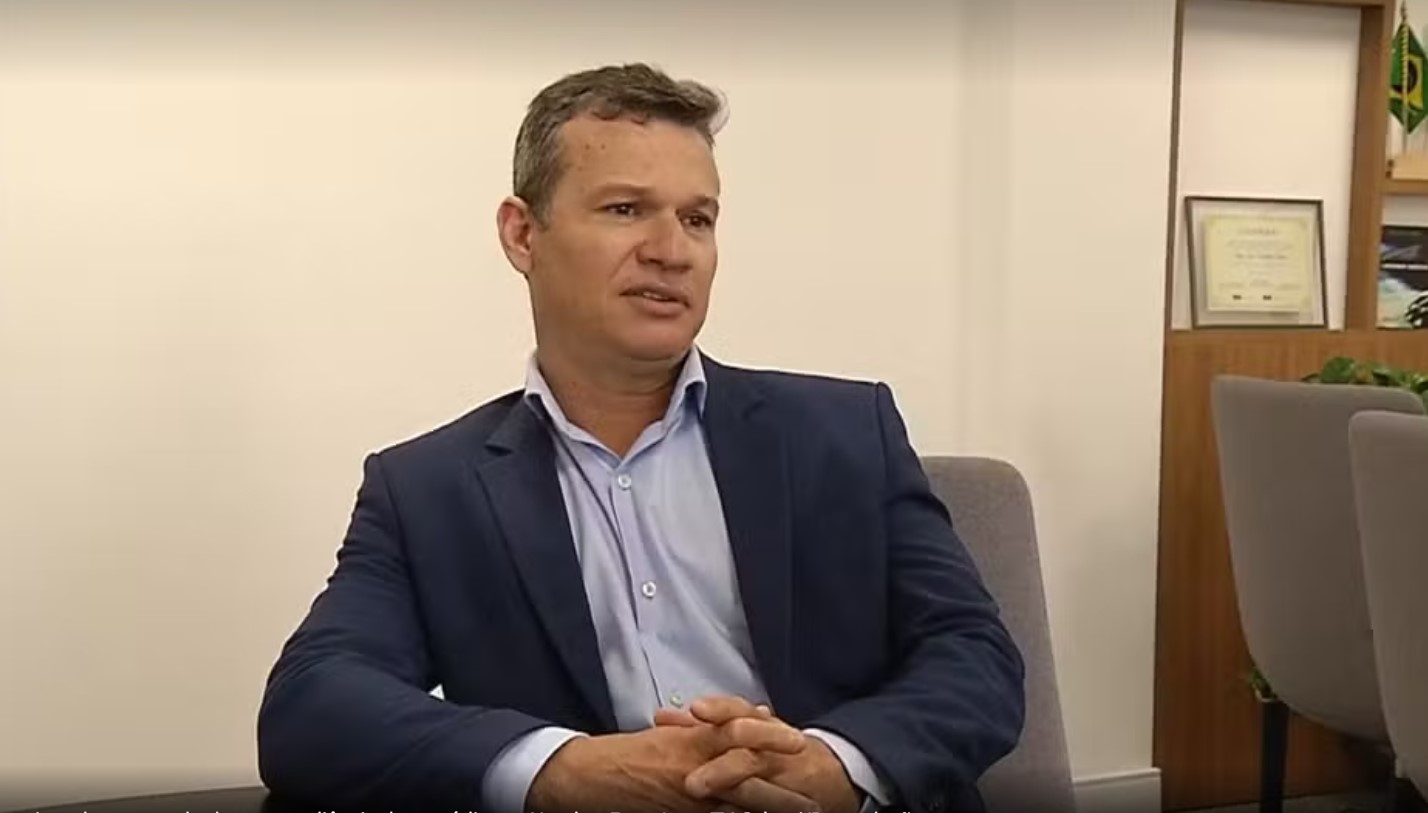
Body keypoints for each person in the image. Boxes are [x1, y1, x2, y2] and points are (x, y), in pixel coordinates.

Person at [256, 63, 1025, 813]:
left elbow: (975, 656)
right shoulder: (427, 489)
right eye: (626, 209)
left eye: (698, 219)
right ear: (522, 234)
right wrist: (562, 769)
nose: (672, 249)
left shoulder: (846, 432)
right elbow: (311, 705)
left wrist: (835, 765)